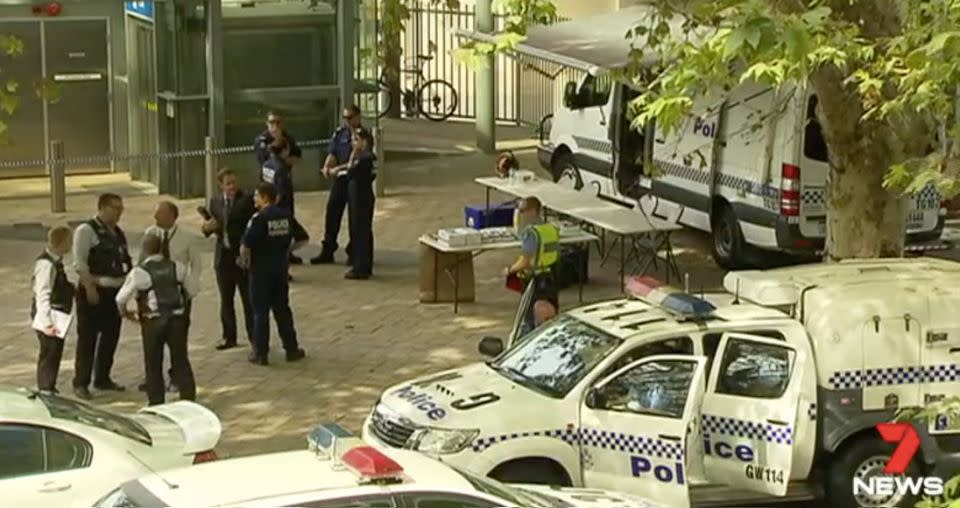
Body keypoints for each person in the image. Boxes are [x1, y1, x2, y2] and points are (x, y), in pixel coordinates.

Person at [117, 235, 197, 406]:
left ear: (144, 251)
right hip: (176, 319)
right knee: (180, 359)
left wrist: (125, 314)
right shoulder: (178, 267)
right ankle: (188, 398)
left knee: (153, 362)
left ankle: (156, 401)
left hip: (152, 320)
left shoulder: (139, 272)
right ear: (162, 248)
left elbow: (121, 298)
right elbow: (192, 290)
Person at [136, 201, 201, 394]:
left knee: (178, 341)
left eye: (161, 214)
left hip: (177, 296)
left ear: (173, 216)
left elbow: (196, 265)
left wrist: (191, 290)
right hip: (154, 297)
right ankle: (153, 381)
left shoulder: (186, 237)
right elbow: (141, 262)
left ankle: (178, 378)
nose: (156, 218)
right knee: (152, 343)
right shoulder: (150, 234)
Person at [240, 182, 308, 365]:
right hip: (280, 270)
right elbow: (303, 238)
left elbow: (246, 245)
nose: (254, 199)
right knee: (282, 309)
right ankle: (291, 348)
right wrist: (286, 250)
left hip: (261, 271)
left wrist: (245, 262)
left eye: (256, 196)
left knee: (260, 312)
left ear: (264, 197)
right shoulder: (286, 216)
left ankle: (260, 353)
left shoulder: (258, 218)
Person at [72, 193, 132, 399]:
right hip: (94, 289)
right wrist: (89, 288)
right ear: (103, 207)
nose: (119, 213)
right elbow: (80, 263)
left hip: (114, 292)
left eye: (121, 209)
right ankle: (81, 382)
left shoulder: (117, 233)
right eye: (115, 208)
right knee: (88, 338)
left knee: (110, 336)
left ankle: (102, 378)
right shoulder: (86, 230)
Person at [202, 169, 256, 351]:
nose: (232, 187)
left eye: (234, 182)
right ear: (221, 186)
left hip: (241, 256)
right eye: (228, 184)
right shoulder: (215, 203)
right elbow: (210, 227)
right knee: (226, 299)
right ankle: (229, 336)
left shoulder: (247, 200)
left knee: (248, 299)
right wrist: (207, 228)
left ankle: (255, 337)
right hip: (223, 257)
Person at [311, 104, 362, 265]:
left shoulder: (362, 135)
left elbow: (355, 160)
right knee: (332, 211)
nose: (348, 121)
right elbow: (333, 152)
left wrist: (335, 169)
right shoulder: (340, 133)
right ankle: (328, 248)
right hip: (339, 180)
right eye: (345, 117)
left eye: (350, 117)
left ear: (358, 117)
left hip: (355, 180)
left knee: (355, 218)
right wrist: (327, 166)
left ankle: (354, 251)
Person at [504, 196, 560, 336]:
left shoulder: (531, 234)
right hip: (551, 278)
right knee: (550, 318)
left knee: (529, 321)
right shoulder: (551, 229)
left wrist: (509, 270)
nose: (521, 214)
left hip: (534, 281)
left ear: (533, 211)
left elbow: (525, 261)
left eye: (523, 211)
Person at [255, 111, 304, 265]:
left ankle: (287, 253)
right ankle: (280, 256)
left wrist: (285, 158)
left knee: (286, 223)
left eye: (278, 122)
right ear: (266, 123)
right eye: (272, 122)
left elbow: (298, 158)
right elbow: (265, 157)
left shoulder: (288, 138)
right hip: (270, 188)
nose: (275, 126)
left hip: (283, 186)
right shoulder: (262, 140)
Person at [31, 226, 75, 394]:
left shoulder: (56, 261)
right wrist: (47, 323)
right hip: (50, 315)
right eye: (69, 241)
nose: (71, 245)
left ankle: (50, 385)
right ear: (62, 242)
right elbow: (43, 293)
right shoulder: (46, 265)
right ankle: (45, 387)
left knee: (55, 351)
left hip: (58, 314)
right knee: (49, 352)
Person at [344, 127, 377, 280]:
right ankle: (361, 264)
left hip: (361, 197)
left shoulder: (365, 158)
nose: (353, 143)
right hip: (358, 196)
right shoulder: (365, 157)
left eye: (356, 140)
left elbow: (352, 172)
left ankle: (361, 267)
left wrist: (353, 156)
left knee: (361, 231)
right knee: (359, 231)